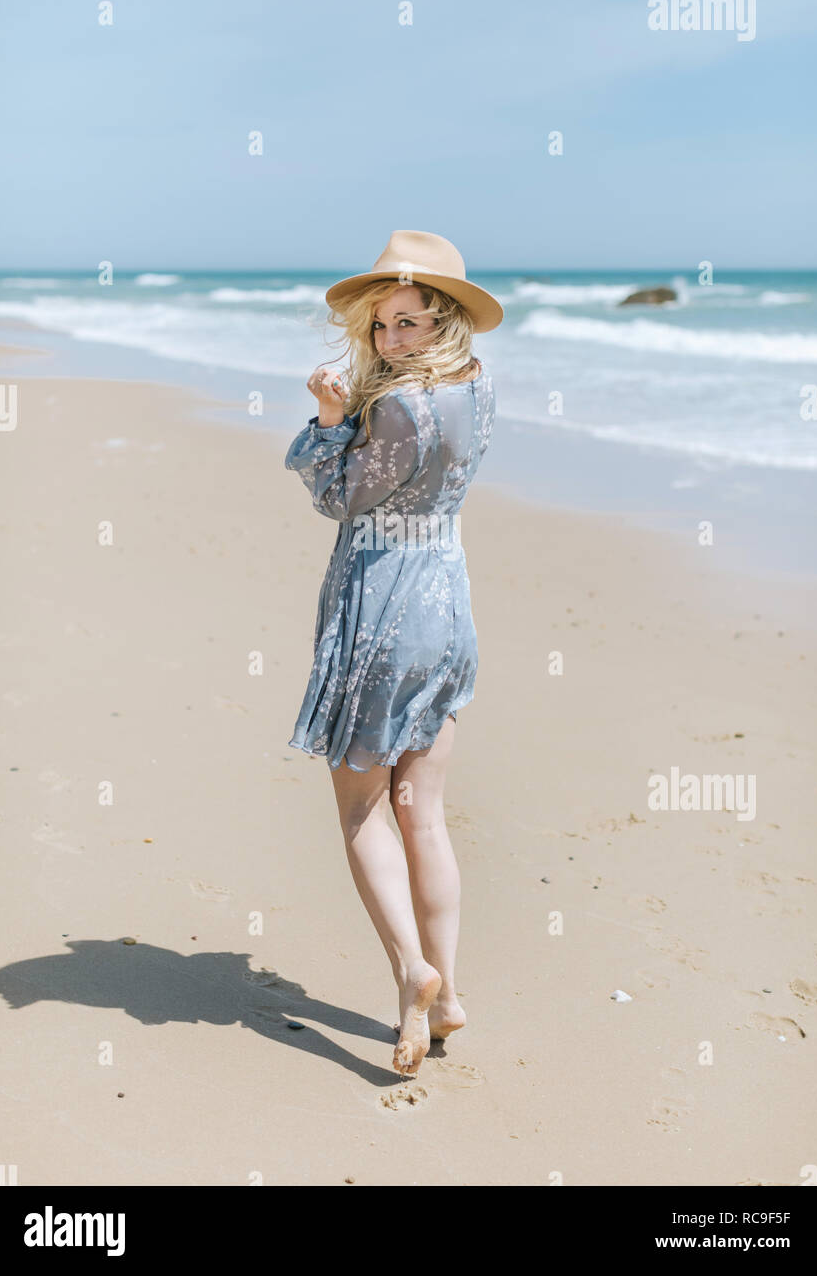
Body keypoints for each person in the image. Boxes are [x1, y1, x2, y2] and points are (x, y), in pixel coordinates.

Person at [283, 230, 502, 1078]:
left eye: (408, 323)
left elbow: (341, 498)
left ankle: (413, 975)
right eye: (381, 327)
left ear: (443, 319)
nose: (389, 341)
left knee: (362, 811)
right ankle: (447, 999)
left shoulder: (400, 407)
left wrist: (330, 424)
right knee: (427, 811)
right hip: (448, 601)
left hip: (384, 604)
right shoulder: (479, 392)